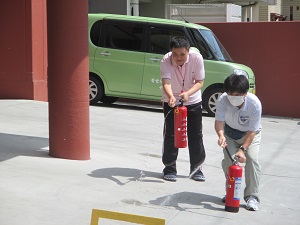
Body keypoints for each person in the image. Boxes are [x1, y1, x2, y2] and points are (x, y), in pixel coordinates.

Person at [160, 36, 206, 182]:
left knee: (196, 135)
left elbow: (200, 82)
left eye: (182, 54)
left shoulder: (197, 58)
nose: (178, 58)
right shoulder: (166, 60)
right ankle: (169, 168)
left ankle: (196, 169)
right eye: (175, 54)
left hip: (192, 100)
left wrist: (187, 93)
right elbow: (166, 82)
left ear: (188, 51)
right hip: (171, 101)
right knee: (171, 135)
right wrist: (170, 97)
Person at [215, 74, 262, 211]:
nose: (232, 97)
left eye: (237, 95)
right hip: (230, 133)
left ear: (246, 93)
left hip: (250, 135)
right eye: (230, 94)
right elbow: (219, 121)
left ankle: (252, 197)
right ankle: (231, 193)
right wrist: (221, 135)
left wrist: (242, 149)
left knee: (252, 159)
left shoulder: (254, 104)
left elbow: (252, 131)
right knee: (230, 163)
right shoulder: (223, 99)